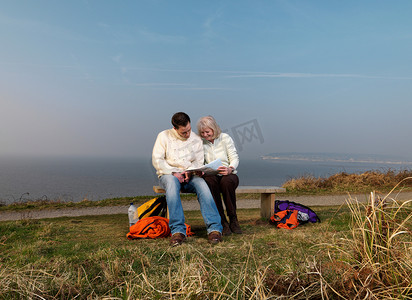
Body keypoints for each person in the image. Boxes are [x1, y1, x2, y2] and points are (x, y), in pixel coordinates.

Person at [152, 112, 223, 246]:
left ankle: (214, 229)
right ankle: (178, 232)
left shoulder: (196, 139)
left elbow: (198, 162)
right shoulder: (163, 136)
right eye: (183, 132)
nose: (187, 134)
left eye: (189, 130)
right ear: (175, 128)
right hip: (169, 174)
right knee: (172, 187)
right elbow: (157, 160)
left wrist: (190, 172)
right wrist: (173, 172)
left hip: (190, 175)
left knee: (203, 186)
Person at [197, 116, 241, 236]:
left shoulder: (225, 138)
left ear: (214, 129)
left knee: (226, 182)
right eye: (202, 133)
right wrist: (201, 170)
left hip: (228, 173)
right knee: (209, 182)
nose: (205, 135)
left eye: (207, 132)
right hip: (211, 174)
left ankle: (233, 219)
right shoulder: (200, 142)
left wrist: (230, 168)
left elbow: (234, 157)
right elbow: (200, 161)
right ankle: (222, 221)